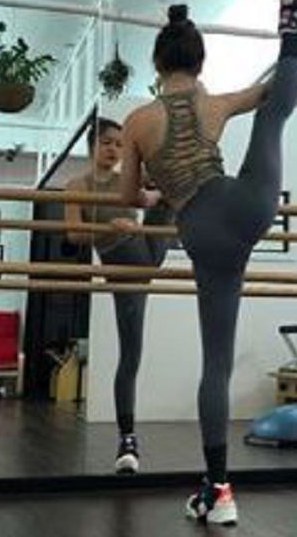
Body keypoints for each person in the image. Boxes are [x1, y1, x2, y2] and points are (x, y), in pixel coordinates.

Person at [120, 0, 297, 525]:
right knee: (272, 119)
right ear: (200, 62)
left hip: (202, 232)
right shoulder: (216, 102)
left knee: (216, 364)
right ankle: (290, 28)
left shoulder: (137, 122)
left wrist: (155, 195)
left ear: (156, 65)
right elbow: (271, 94)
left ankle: (219, 491)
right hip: (248, 204)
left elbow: (127, 196)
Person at [65, 117, 171, 474]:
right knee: (131, 356)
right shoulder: (77, 185)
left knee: (167, 190)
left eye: (120, 144)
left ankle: (128, 440)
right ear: (92, 145)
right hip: (121, 260)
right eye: (107, 142)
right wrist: (109, 225)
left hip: (144, 252)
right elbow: (74, 233)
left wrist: (153, 193)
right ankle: (127, 438)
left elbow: (147, 196)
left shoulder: (128, 179)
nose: (114, 149)